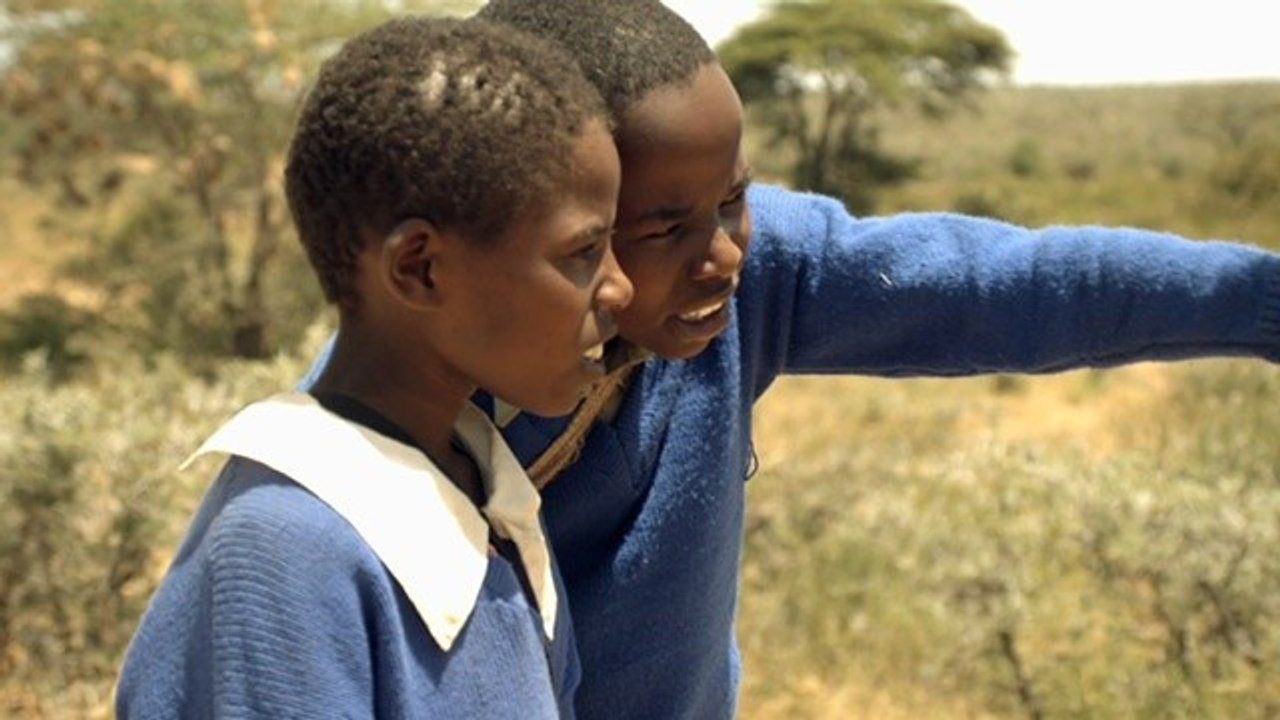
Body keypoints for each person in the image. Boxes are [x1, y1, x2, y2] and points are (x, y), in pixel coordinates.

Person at [295, 2, 1280, 717]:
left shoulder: (745, 275)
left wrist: (1260, 302)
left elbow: (1015, 287)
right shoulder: (359, 466)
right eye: (663, 225)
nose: (721, 254)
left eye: (733, 199)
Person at [117, 15, 631, 719]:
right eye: (583, 252)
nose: (620, 288)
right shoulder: (287, 552)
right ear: (419, 270)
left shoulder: (488, 497)